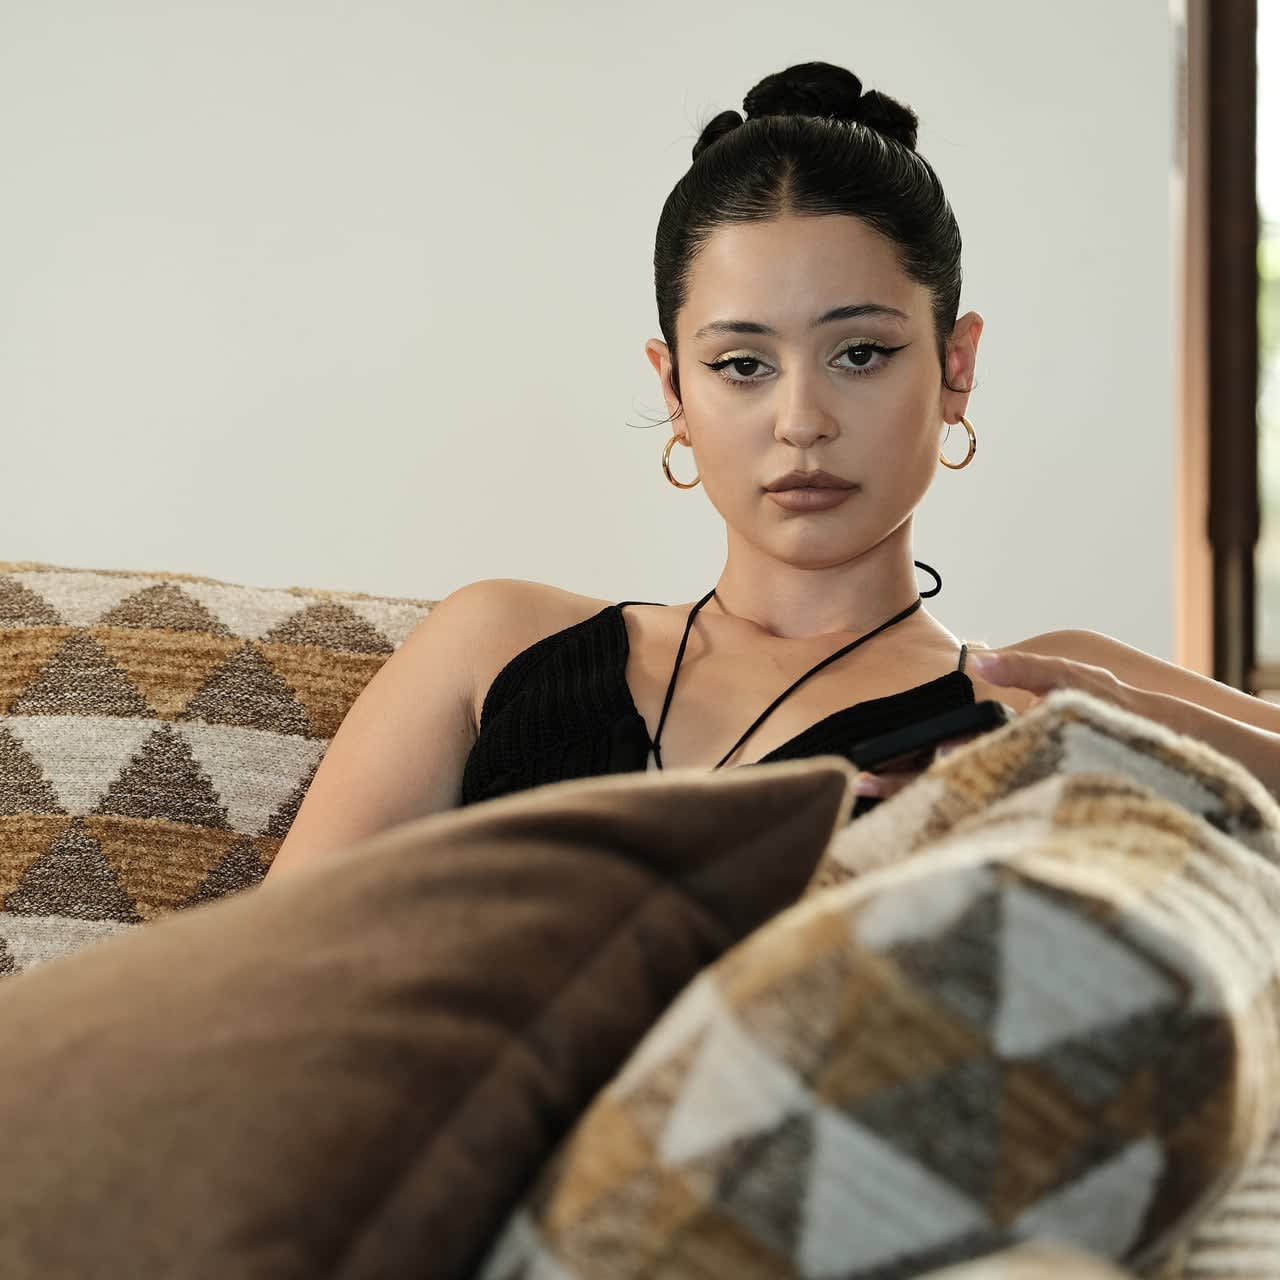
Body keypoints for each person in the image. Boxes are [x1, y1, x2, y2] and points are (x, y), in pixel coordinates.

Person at [266, 61, 1280, 880]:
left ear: (955, 366)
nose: (801, 422)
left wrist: (1154, 745)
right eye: (741, 365)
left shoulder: (1034, 690)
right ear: (673, 387)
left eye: (861, 353)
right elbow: (258, 989)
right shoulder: (496, 642)